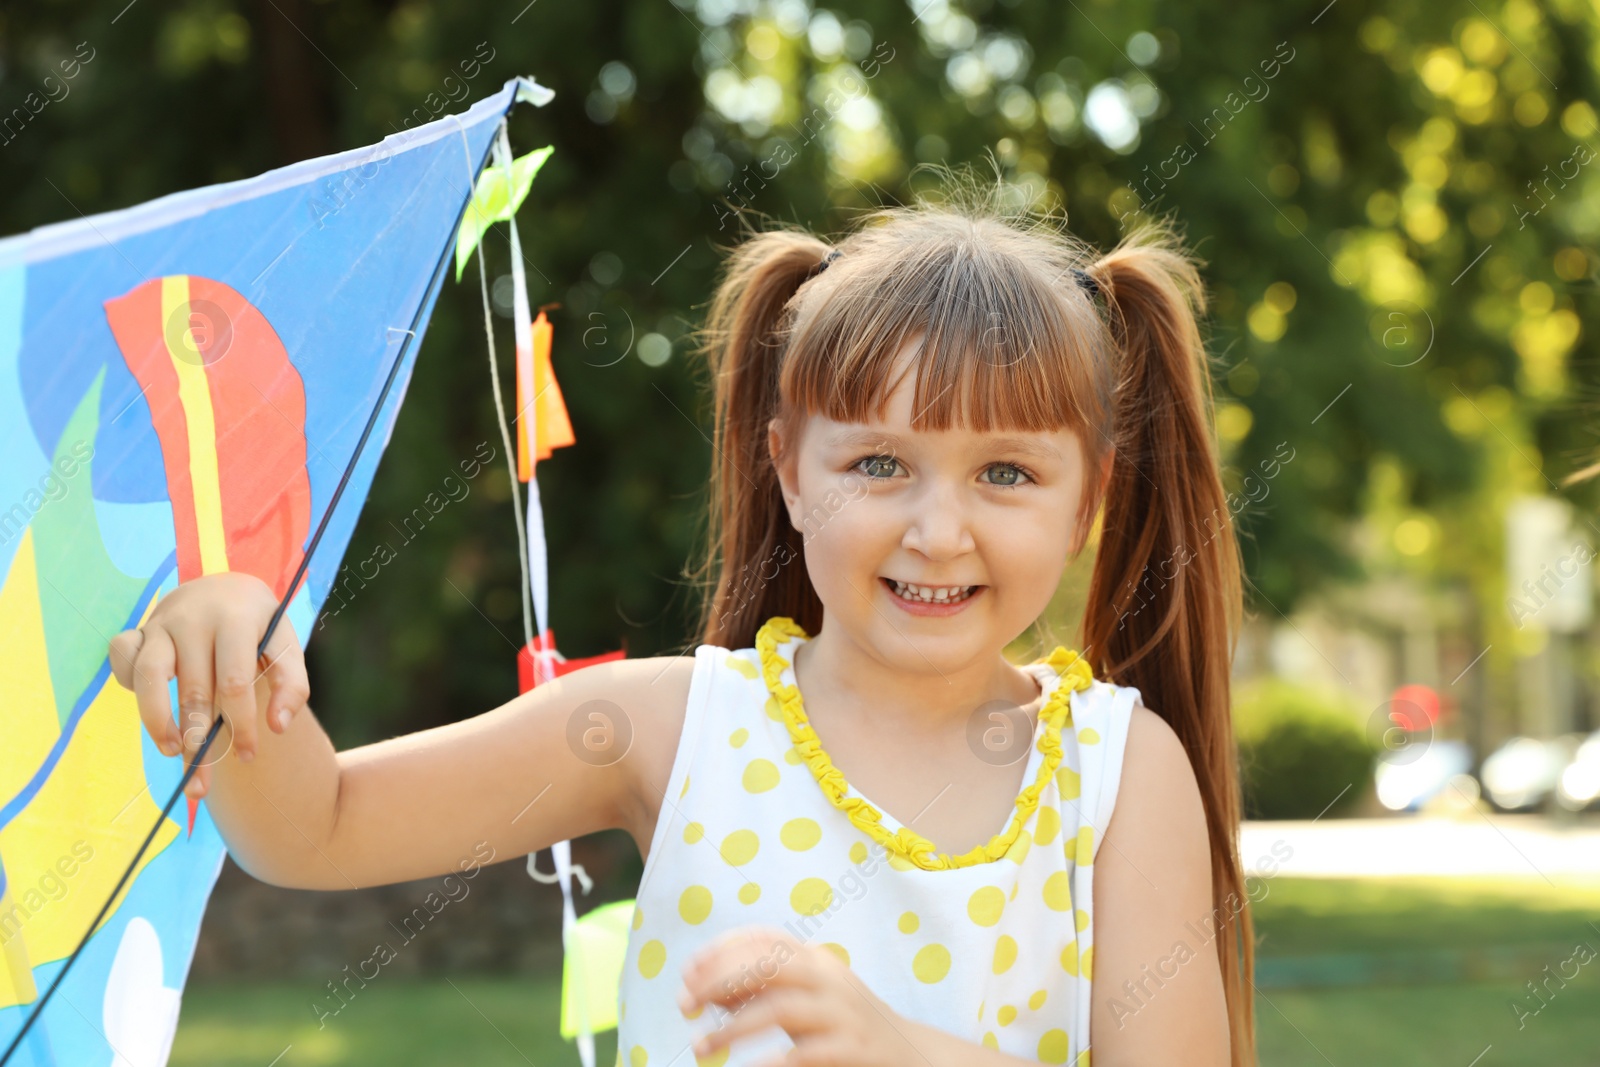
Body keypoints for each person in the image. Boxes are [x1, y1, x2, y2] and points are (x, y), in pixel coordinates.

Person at [110, 177, 1253, 1066]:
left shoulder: (1114, 771)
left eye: (1004, 473)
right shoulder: (667, 724)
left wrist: (906, 1046)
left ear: (1088, 502)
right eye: (876, 463)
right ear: (790, 472)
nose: (937, 528)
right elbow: (320, 824)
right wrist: (234, 664)